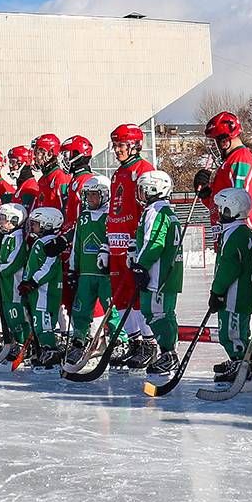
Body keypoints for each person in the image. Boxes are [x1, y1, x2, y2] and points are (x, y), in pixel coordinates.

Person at [105, 124, 157, 370]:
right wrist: (107, 244)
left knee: (138, 297)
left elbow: (148, 210)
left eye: (121, 145)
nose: (117, 150)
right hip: (116, 244)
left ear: (135, 145)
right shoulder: (118, 173)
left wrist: (139, 243)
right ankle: (134, 342)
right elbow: (113, 211)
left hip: (132, 245)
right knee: (121, 297)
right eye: (115, 145)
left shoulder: (144, 170)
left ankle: (149, 343)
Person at [65, 175, 127, 368]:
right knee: (81, 309)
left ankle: (119, 341)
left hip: (105, 274)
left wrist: (111, 260)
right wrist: (73, 269)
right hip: (86, 273)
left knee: (112, 309)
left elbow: (115, 240)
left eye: (94, 195)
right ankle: (79, 340)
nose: (90, 199)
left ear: (105, 195)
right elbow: (77, 244)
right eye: (88, 195)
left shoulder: (110, 216)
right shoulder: (83, 216)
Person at [131, 170, 183, 376]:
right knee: (165, 314)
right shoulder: (167, 211)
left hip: (158, 275)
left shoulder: (155, 211)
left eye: (143, 189)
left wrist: (140, 265)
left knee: (156, 313)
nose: (141, 193)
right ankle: (169, 353)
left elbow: (155, 241)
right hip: (169, 273)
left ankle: (169, 354)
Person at [206, 188, 252, 387]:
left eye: (223, 208)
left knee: (231, 332)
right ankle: (247, 359)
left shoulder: (235, 235)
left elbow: (228, 268)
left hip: (235, 295)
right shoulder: (242, 231)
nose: (220, 212)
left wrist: (217, 291)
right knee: (238, 330)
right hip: (242, 294)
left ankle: (240, 362)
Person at [194, 111, 252, 231]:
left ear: (224, 141)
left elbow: (241, 202)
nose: (215, 146)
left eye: (215, 140)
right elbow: (222, 203)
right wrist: (206, 194)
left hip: (238, 232)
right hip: (227, 230)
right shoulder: (230, 161)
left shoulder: (240, 159)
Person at [19, 207, 65, 369]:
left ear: (48, 224)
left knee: (43, 321)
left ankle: (51, 351)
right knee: (37, 321)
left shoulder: (49, 243)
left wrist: (32, 281)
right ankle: (43, 350)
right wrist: (26, 282)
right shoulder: (40, 241)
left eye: (36, 224)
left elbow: (49, 266)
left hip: (45, 290)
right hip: (35, 290)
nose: (33, 227)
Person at [0, 203, 31, 364]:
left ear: (15, 220)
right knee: (10, 316)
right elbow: (5, 259)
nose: (0, 222)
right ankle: (14, 343)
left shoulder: (17, 237)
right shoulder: (7, 237)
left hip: (14, 285)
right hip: (5, 286)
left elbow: (14, 264)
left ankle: (24, 345)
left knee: (17, 316)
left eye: (4, 219)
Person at [31, 134, 71, 211]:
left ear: (50, 153)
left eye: (37, 152)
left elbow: (64, 208)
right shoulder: (42, 179)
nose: (34, 157)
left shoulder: (60, 176)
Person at [7, 146, 39, 212]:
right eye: (10, 162)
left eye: (13, 162)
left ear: (23, 163)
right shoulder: (22, 184)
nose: (10, 166)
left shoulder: (30, 188)